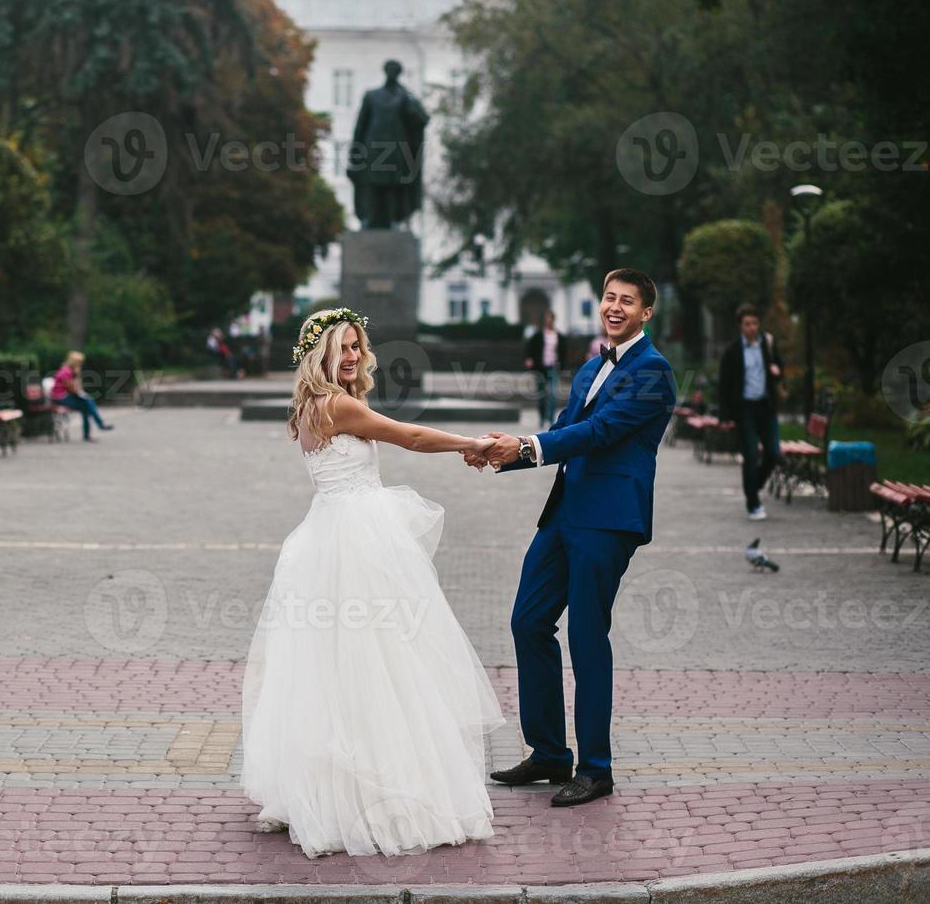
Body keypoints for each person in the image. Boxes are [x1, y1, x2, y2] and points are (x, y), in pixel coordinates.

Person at [241, 307, 505, 859]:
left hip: (328, 533)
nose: (354, 355)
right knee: (383, 658)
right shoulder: (337, 404)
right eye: (343, 347)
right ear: (321, 352)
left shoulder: (309, 405)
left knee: (338, 665)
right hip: (357, 539)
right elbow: (407, 435)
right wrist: (470, 444)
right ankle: (379, 794)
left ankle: (332, 790)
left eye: (358, 346)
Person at [465, 269, 676, 808]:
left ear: (645, 313)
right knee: (528, 620)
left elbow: (600, 433)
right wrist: (496, 453)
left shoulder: (654, 372)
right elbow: (564, 429)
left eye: (627, 301)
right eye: (609, 297)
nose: (615, 306)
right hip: (564, 513)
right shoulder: (588, 369)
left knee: (586, 636)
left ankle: (596, 767)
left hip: (608, 519)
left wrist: (525, 447)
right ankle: (550, 753)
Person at [717, 303, 785, 521]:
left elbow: (779, 370)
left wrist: (777, 371)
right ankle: (753, 503)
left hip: (766, 407)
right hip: (744, 409)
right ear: (740, 326)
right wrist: (724, 416)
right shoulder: (732, 352)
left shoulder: (768, 345)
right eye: (747, 324)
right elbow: (724, 385)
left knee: (773, 453)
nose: (752, 328)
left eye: (755, 323)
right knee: (751, 455)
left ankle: (753, 486)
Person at [50, 351, 113, 442]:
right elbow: (72, 389)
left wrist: (77, 376)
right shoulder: (66, 372)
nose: (81, 364)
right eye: (80, 362)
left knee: (87, 404)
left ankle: (93, 430)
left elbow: (76, 388)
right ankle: (98, 426)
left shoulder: (69, 371)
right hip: (60, 398)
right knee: (87, 403)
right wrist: (77, 380)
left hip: (64, 396)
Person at [524, 311, 567, 427]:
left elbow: (563, 352)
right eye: (547, 318)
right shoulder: (538, 335)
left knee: (553, 394)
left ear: (553, 320)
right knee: (542, 395)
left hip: (553, 367)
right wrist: (529, 359)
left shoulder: (558, 335)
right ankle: (542, 418)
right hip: (540, 368)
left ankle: (551, 418)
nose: (549, 321)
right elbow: (530, 347)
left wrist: (562, 365)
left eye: (550, 318)